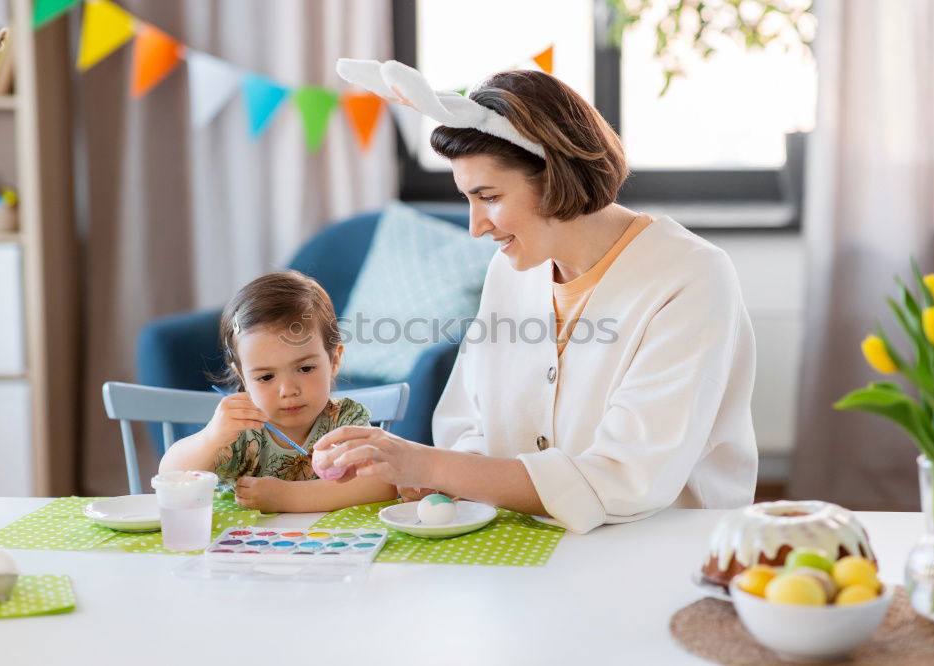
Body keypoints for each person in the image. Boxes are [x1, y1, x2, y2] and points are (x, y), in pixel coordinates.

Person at [313, 61, 758, 534]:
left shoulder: (689, 278)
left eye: (488, 196)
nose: (475, 226)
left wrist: (426, 465)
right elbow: (468, 424)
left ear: (555, 176)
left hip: (661, 547)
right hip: (525, 540)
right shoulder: (510, 271)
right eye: (468, 199)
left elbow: (628, 478)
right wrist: (416, 473)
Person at [159, 270, 397, 512]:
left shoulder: (344, 421)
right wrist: (210, 438)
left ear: (334, 361)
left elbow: (383, 484)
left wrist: (287, 497)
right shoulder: (240, 432)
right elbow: (172, 478)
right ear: (243, 377)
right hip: (247, 547)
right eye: (266, 377)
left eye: (305, 368)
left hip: (331, 546)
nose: (288, 390)